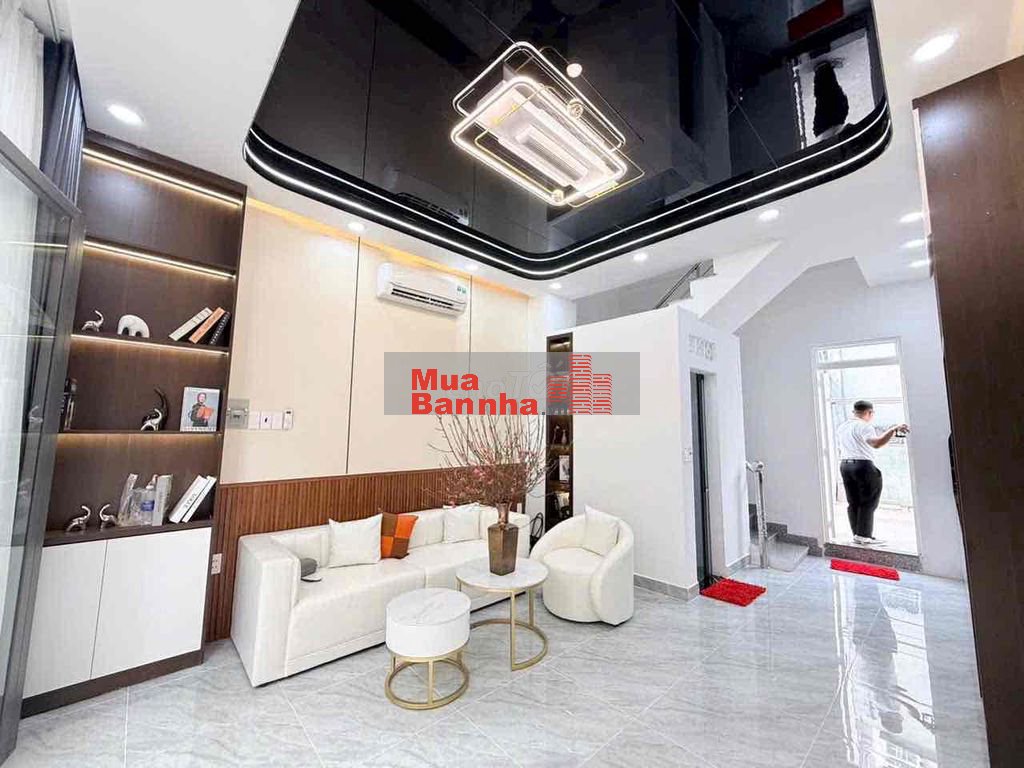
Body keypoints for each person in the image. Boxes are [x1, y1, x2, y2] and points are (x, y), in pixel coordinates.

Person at [836, 400, 908, 546]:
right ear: (869, 412)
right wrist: (893, 430)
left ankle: (858, 535)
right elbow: (876, 443)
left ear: (854, 412)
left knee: (853, 503)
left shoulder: (843, 427)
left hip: (845, 466)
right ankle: (864, 536)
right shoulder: (864, 426)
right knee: (868, 502)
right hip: (863, 466)